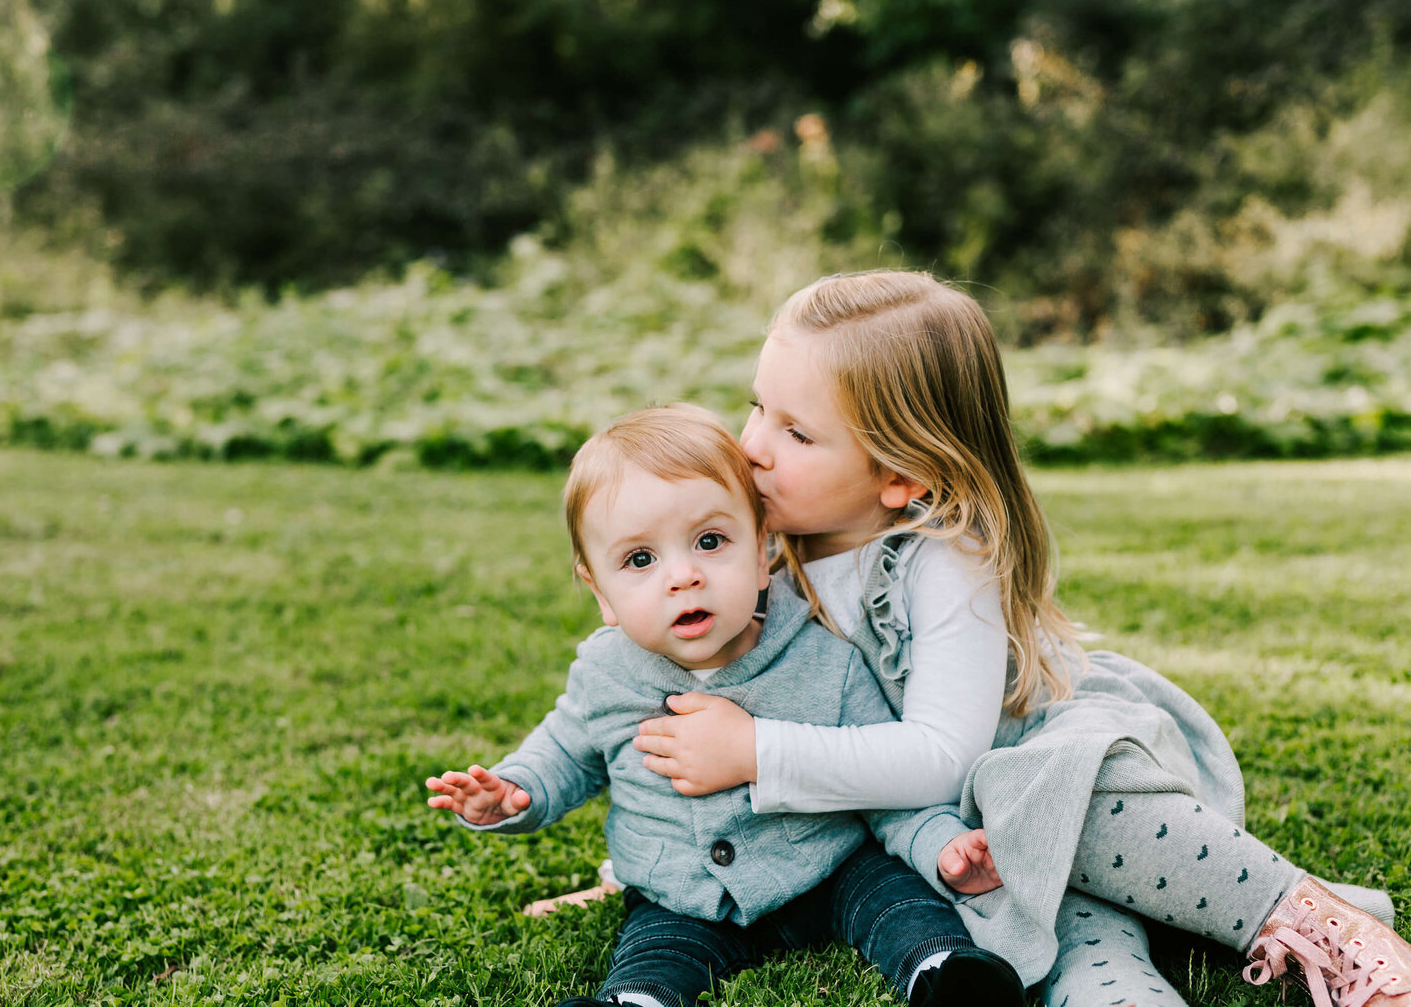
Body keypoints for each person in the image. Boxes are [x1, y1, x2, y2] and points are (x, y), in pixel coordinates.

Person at [630, 271, 1411, 1007]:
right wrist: (657, 854)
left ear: (902, 475)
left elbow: (941, 757)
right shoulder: (753, 559)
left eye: (795, 432)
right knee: (1057, 941)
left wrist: (757, 752)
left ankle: (1342, 940)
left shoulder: (939, 560)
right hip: (967, 843)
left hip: (1066, 764)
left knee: (1061, 797)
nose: (751, 448)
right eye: (756, 406)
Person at [425, 404, 1022, 1007]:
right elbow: (563, 752)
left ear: (763, 554)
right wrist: (513, 792)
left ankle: (944, 974)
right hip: (683, 892)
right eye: (640, 560)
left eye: (710, 542)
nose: (683, 576)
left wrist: (940, 844)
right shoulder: (605, 674)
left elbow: (883, 788)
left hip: (829, 870)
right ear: (599, 592)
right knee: (657, 953)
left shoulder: (825, 659)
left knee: (899, 902)